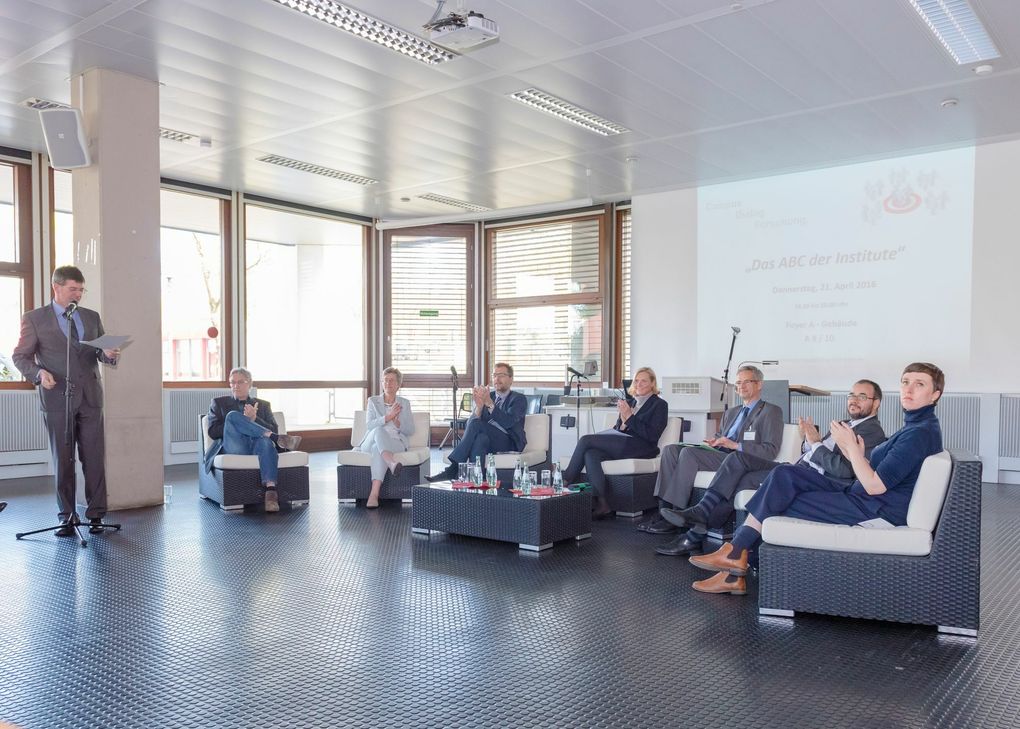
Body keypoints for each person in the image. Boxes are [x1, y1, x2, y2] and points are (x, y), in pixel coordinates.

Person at [689, 362, 944, 596]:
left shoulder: (918, 434)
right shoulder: (914, 427)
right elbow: (876, 471)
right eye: (905, 381)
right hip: (863, 494)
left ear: (935, 394)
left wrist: (852, 451)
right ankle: (735, 560)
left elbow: (875, 485)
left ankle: (735, 561)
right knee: (784, 474)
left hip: (876, 507)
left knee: (780, 500)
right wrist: (839, 447)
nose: (908, 389)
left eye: (919, 384)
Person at [655, 379, 887, 555]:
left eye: (862, 396)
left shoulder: (871, 431)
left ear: (876, 403)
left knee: (743, 481)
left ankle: (696, 533)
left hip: (806, 478)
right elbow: (813, 453)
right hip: (795, 468)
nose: (854, 400)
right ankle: (703, 511)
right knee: (737, 459)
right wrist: (810, 441)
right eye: (851, 395)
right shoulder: (844, 423)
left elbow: (845, 471)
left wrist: (815, 445)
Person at [12, 266, 121, 536]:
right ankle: (67, 516)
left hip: (91, 398)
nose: (78, 295)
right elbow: (20, 357)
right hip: (57, 397)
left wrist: (109, 353)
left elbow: (102, 356)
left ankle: (96, 515)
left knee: (94, 458)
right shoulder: (35, 319)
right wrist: (38, 373)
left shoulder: (91, 317)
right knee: (63, 460)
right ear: (56, 288)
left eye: (82, 290)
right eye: (73, 289)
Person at [638, 365, 784, 538]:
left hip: (737, 460)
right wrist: (713, 442)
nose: (741, 386)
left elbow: (770, 450)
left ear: (759, 384)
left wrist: (735, 445)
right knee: (671, 450)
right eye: (738, 383)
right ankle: (664, 510)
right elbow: (720, 437)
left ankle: (677, 516)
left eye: (747, 382)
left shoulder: (770, 411)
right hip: (719, 452)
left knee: (689, 454)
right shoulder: (731, 412)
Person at [562, 366, 668, 519]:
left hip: (642, 447)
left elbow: (652, 435)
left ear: (652, 383)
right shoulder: (630, 402)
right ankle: (602, 503)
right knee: (591, 453)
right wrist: (624, 422)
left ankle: (565, 481)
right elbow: (619, 428)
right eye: (636, 381)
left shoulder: (659, 405)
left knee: (586, 440)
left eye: (644, 381)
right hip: (624, 443)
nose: (639, 384)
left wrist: (630, 418)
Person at [204, 367, 301, 512]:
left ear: (249, 383)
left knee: (266, 442)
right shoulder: (219, 403)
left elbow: (274, 427)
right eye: (232, 382)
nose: (235, 386)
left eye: (240, 382)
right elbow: (213, 431)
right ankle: (278, 439)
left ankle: (271, 493)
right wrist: (239, 423)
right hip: (234, 446)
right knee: (232, 416)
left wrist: (255, 419)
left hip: (257, 446)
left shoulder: (263, 405)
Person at [427, 362, 526, 482]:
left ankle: (453, 469)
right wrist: (479, 407)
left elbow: (509, 422)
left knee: (477, 424)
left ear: (511, 379)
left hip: (509, 442)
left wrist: (489, 403)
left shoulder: (518, 399)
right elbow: (472, 424)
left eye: (501, 375)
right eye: (494, 375)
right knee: (480, 439)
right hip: (489, 441)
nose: (497, 379)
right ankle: (477, 483)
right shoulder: (489, 395)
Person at [357, 367, 415, 508]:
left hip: (394, 442)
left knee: (378, 449)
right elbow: (370, 425)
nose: (388, 383)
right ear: (382, 383)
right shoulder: (373, 401)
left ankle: (374, 495)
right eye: (385, 380)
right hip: (370, 441)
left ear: (398, 385)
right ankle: (391, 463)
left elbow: (410, 430)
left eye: (392, 380)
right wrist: (387, 417)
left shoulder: (404, 403)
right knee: (378, 430)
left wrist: (398, 423)